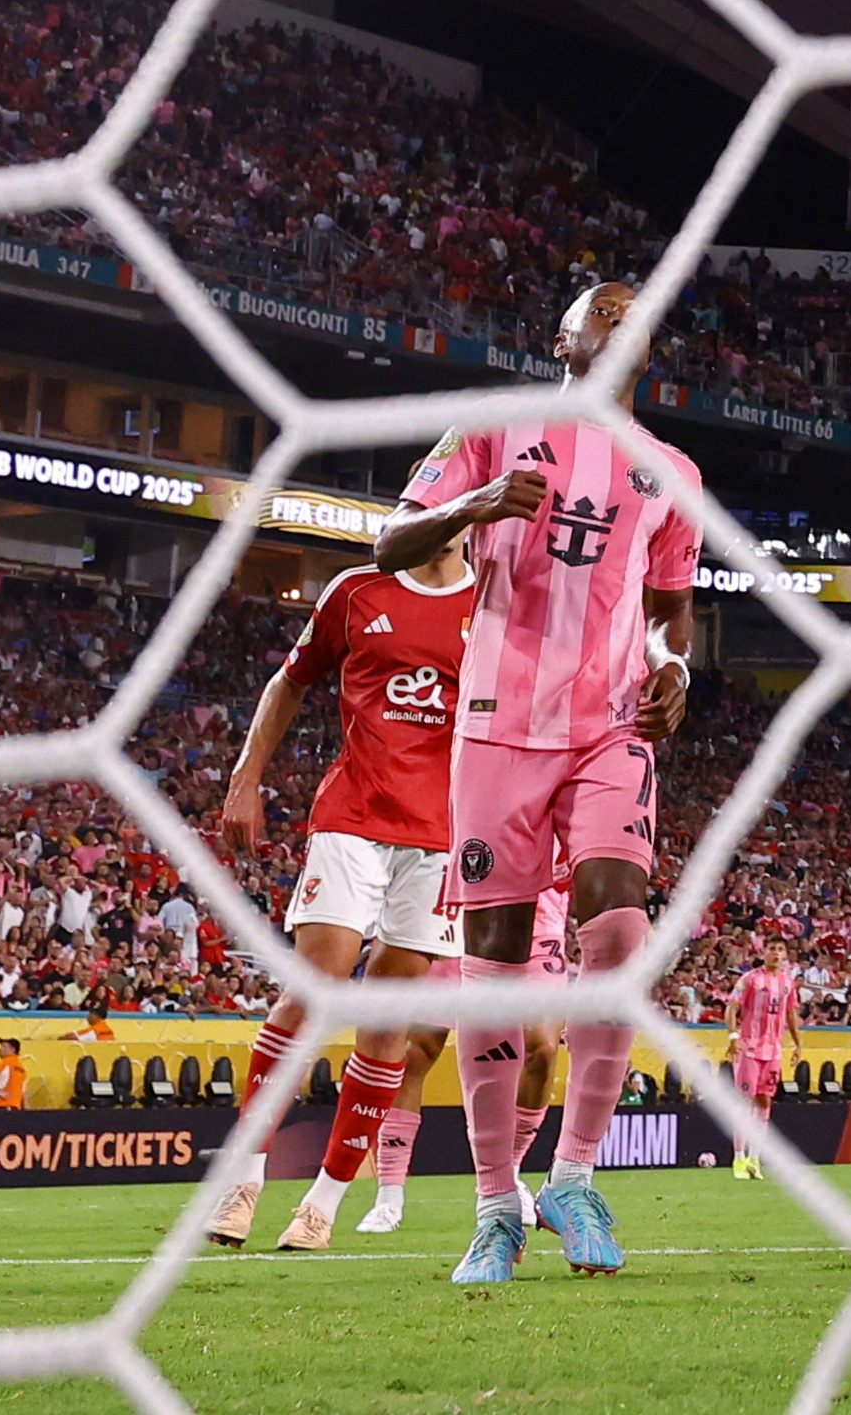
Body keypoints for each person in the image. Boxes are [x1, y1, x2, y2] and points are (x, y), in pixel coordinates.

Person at [386, 277, 706, 1287]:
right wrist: (478, 506)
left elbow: (670, 611)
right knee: (497, 962)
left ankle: (572, 1173)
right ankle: (494, 1208)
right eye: (602, 309)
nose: (620, 322)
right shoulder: (489, 431)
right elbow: (389, 542)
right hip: (495, 727)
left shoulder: (671, 474)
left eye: (636, 316)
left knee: (618, 929)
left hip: (611, 726)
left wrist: (673, 667)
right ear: (561, 338)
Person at [211, 524, 481, 1251]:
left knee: (388, 1025)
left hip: (442, 837)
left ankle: (323, 1205)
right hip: (353, 816)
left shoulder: (492, 606)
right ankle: (242, 1180)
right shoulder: (356, 591)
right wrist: (245, 777)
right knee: (316, 985)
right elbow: (290, 679)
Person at [726, 946, 805, 1178]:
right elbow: (732, 1008)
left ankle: (755, 1159)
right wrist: (733, 1036)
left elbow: (791, 1014)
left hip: (774, 1051)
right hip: (749, 1048)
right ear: (764, 953)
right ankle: (738, 1158)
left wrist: (798, 1044)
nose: (777, 953)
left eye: (781, 950)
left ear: (785, 955)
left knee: (764, 1102)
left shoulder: (788, 983)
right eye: (772, 949)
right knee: (744, 1103)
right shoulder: (751, 979)